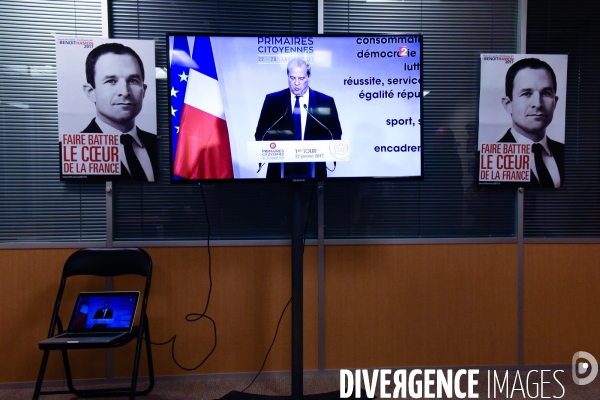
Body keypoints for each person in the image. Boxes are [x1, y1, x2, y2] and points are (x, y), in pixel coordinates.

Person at [254, 58, 342, 179]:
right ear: (287, 76)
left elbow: (335, 134)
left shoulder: (325, 102)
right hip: (278, 171)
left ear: (309, 77)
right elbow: (260, 134)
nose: (296, 83)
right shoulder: (272, 101)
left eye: (301, 78)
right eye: (292, 78)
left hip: (315, 171)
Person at [81, 42, 157, 181]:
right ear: (91, 92)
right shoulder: (75, 149)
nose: (124, 92)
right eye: (111, 81)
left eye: (133, 80)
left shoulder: (158, 145)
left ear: (143, 91)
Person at [499, 58, 564, 188]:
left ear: (555, 102)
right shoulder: (490, 158)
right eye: (527, 94)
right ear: (508, 104)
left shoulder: (565, 153)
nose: (538, 104)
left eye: (545, 93)